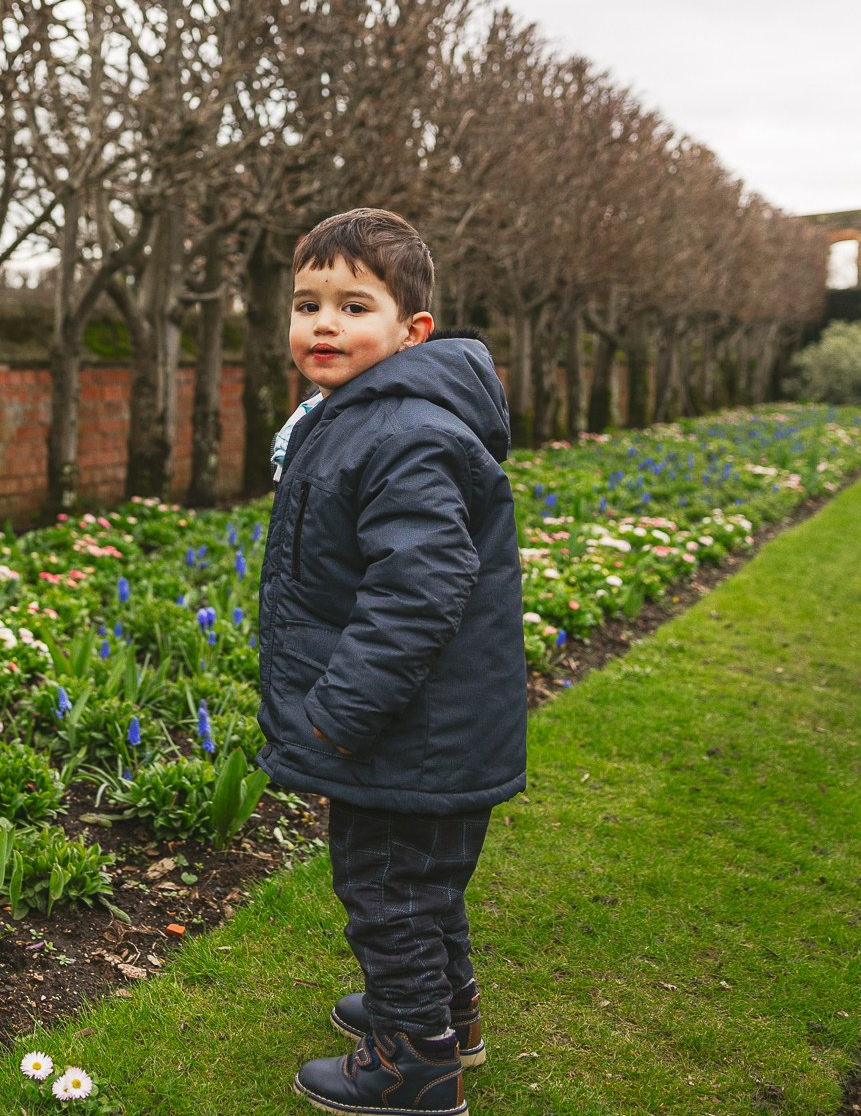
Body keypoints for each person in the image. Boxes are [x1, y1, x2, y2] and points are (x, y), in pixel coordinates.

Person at [257, 208, 527, 1115]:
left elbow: (420, 587)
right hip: (435, 727)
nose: (323, 323)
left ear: (411, 331)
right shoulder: (360, 415)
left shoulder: (403, 429)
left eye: (352, 305)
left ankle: (412, 1063)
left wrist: (339, 710)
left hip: (402, 728)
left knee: (386, 892)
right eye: (307, 303)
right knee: (424, 885)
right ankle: (451, 1015)